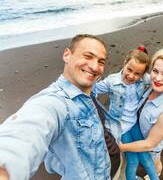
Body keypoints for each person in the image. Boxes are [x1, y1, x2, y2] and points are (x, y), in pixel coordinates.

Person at [0, 34, 116, 180]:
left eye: (101, 62)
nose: (94, 67)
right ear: (67, 55)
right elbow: (25, 134)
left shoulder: (87, 93)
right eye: (87, 56)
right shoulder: (54, 102)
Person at [95, 47, 163, 180]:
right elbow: (94, 89)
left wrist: (117, 147)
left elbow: (150, 144)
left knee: (147, 161)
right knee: (143, 162)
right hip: (129, 128)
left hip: (148, 143)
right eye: (155, 71)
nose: (158, 78)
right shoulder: (149, 83)